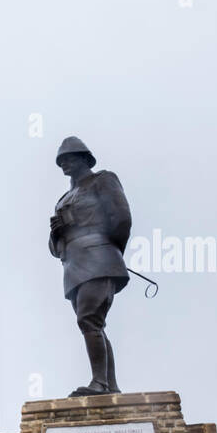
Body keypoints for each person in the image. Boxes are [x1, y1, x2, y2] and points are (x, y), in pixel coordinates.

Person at [48, 136, 131, 396]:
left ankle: (100, 383)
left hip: (99, 259)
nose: (65, 164)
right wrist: (57, 233)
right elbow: (54, 248)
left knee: (89, 319)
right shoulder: (63, 199)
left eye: (69, 158)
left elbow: (122, 218)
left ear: (84, 158)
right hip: (73, 266)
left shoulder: (102, 180)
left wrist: (108, 251)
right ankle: (109, 386)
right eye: (61, 161)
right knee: (92, 323)